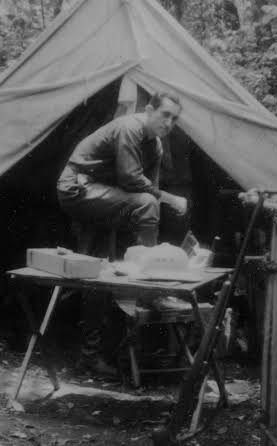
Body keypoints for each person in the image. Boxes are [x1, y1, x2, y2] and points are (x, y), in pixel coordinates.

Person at [56, 92, 188, 374]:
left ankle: (90, 356)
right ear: (149, 109)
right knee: (148, 204)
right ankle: (151, 285)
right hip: (78, 188)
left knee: (98, 271)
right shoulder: (130, 127)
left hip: (104, 196)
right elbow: (132, 180)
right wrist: (170, 199)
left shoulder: (156, 146)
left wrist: (157, 203)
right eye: (164, 114)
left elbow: (148, 189)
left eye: (174, 119)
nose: (168, 123)